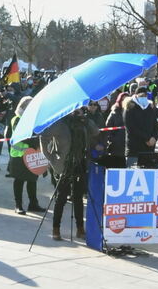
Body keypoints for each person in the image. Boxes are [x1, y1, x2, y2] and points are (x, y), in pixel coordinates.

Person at [41, 108, 99, 240]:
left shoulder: (83, 122)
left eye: (78, 108)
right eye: (74, 109)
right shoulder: (60, 123)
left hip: (80, 163)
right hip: (64, 165)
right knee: (61, 198)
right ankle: (56, 229)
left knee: (78, 197)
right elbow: (44, 137)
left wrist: (85, 118)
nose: (76, 110)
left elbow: (96, 131)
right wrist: (51, 158)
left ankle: (80, 229)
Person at [7, 97, 46, 215]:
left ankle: (33, 204)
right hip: (19, 155)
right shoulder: (17, 119)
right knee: (19, 180)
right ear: (23, 107)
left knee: (32, 180)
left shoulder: (34, 119)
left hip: (32, 154)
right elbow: (23, 136)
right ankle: (18, 205)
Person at [123, 86, 158, 167]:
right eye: (141, 96)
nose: (144, 97)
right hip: (134, 149)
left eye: (145, 95)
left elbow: (156, 126)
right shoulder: (129, 108)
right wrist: (147, 138)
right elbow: (131, 128)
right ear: (136, 96)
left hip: (149, 149)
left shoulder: (150, 108)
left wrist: (154, 138)